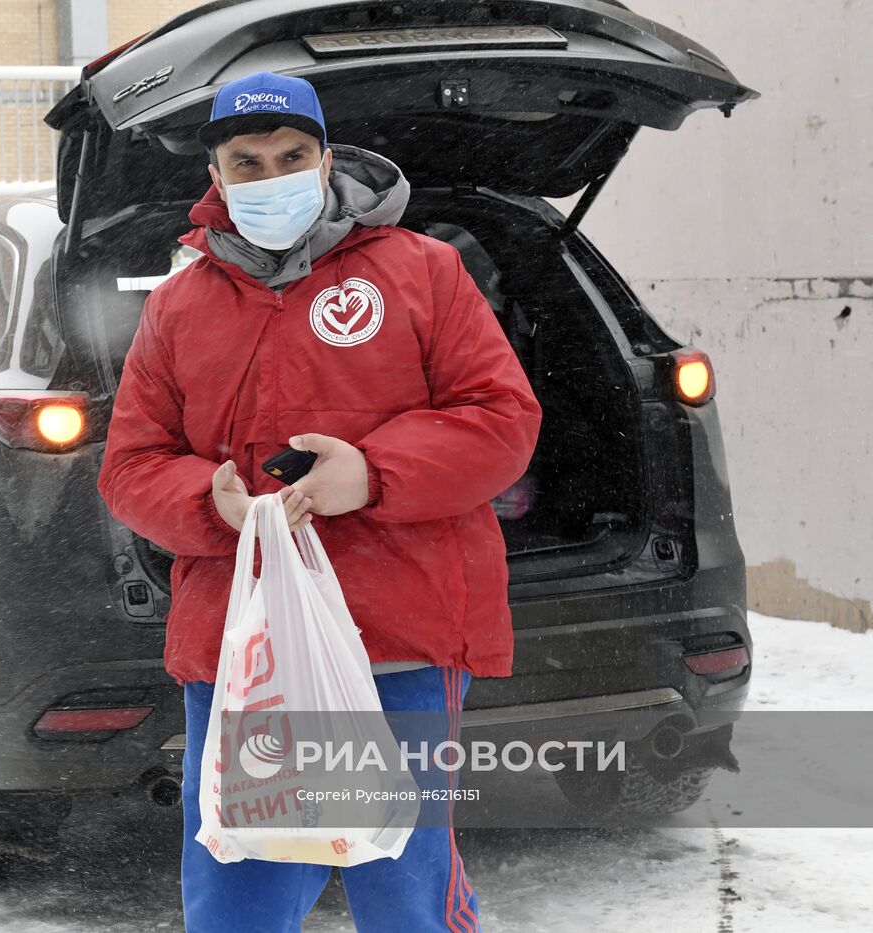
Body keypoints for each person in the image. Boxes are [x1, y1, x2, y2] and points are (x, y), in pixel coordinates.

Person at [97, 71, 542, 933]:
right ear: (218, 179)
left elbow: (502, 420)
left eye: (292, 156)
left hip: (401, 631)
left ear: (327, 158)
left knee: (405, 889)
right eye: (248, 162)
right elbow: (131, 464)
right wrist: (207, 498)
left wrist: (373, 475)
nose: (272, 177)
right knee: (239, 892)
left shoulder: (424, 273)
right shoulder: (178, 306)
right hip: (246, 647)